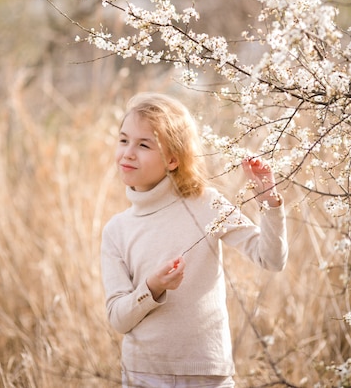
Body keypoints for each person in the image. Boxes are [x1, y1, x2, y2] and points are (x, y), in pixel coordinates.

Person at [101, 93, 288, 388]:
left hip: (208, 372)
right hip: (145, 374)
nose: (128, 153)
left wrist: (268, 201)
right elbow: (118, 319)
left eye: (144, 144)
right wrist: (152, 287)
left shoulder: (206, 204)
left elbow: (272, 259)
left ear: (173, 159)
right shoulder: (117, 230)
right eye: (123, 140)